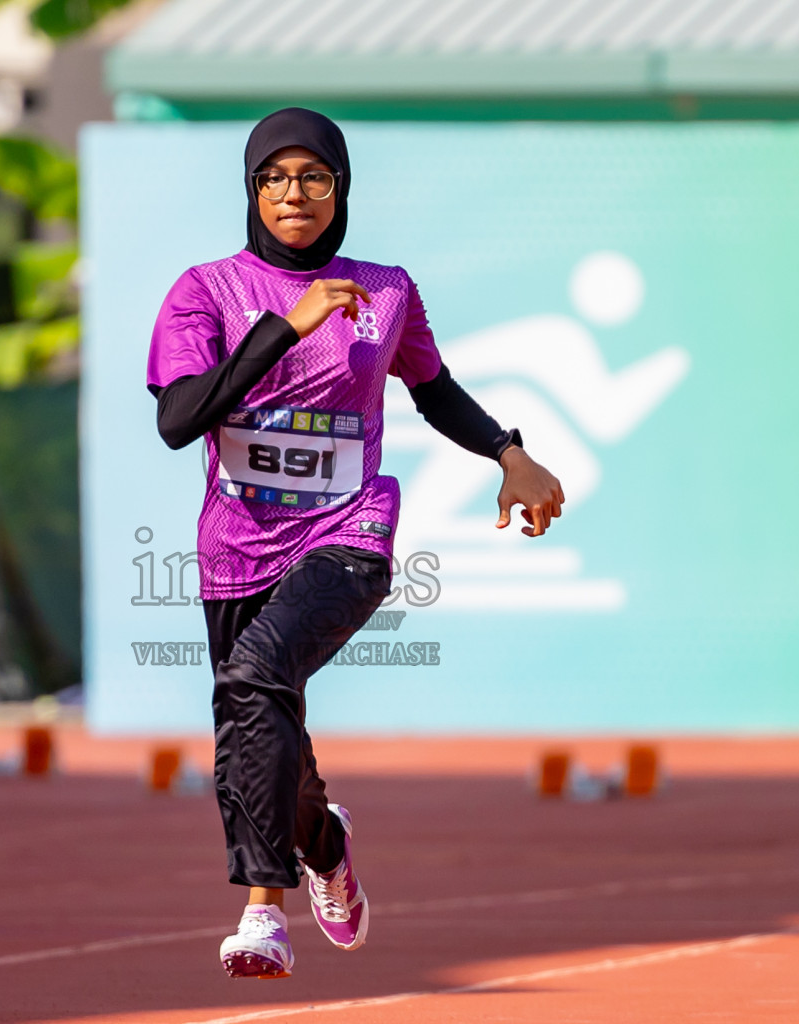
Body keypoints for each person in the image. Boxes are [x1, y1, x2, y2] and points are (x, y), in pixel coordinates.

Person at [145, 107, 566, 979]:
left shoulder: (387, 288)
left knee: (256, 679)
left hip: (350, 532)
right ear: (253, 191)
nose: (293, 193)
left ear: (340, 190)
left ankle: (263, 912)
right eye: (275, 177)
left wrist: (508, 453)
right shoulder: (205, 291)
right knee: (257, 725)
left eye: (313, 176)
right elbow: (180, 421)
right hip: (237, 547)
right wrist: (287, 327)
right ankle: (325, 843)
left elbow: (434, 388)